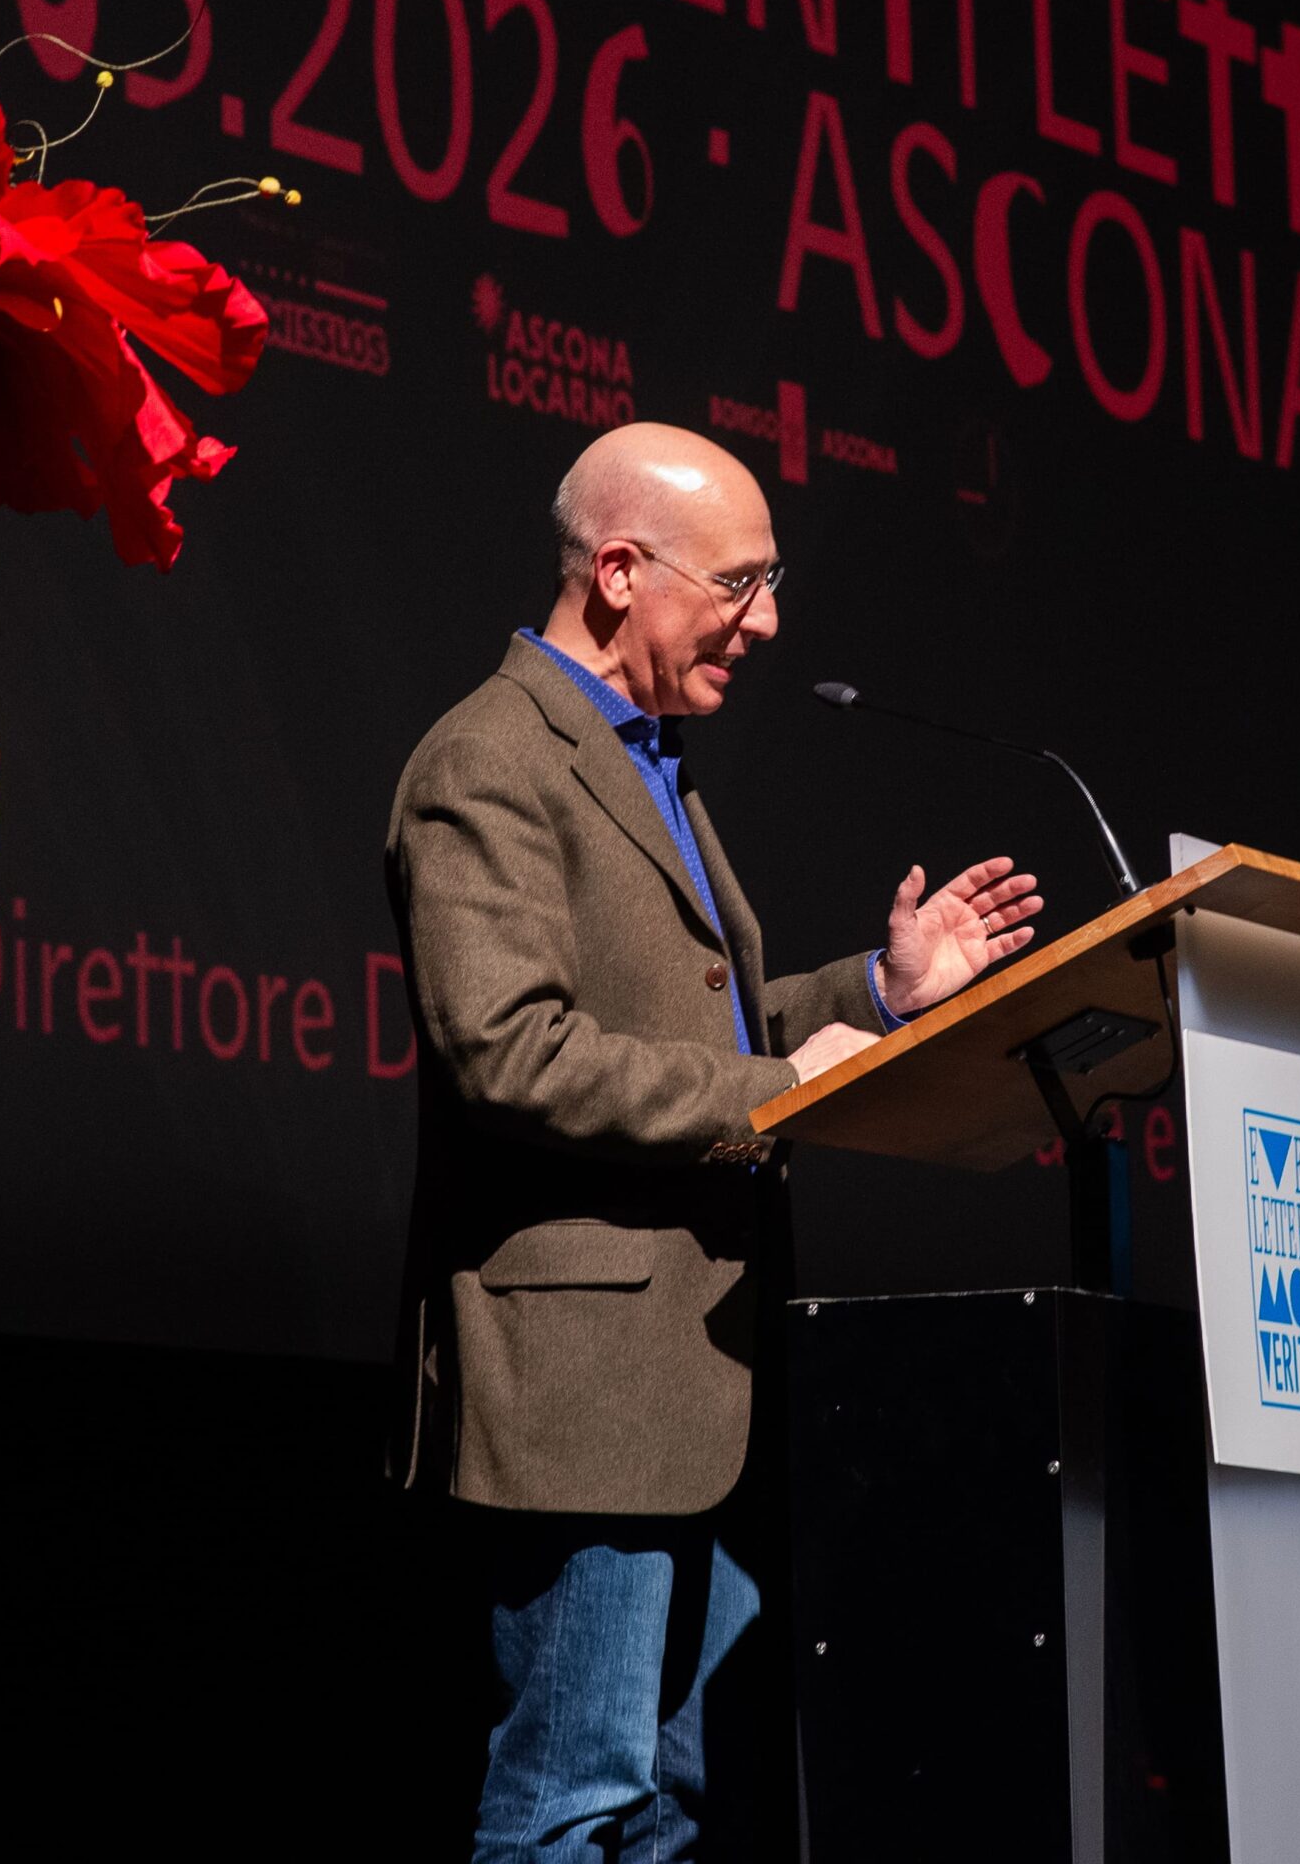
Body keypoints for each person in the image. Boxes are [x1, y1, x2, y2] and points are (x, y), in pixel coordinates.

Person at [385, 422, 1042, 1861]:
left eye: (770, 582)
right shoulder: (488, 760)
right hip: (584, 1392)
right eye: (740, 585)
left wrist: (878, 996)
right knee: (573, 1806)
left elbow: (709, 1028)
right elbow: (509, 1052)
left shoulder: (650, 762)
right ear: (620, 572)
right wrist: (767, 1089)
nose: (770, 621)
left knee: (671, 1815)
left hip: (692, 1391)